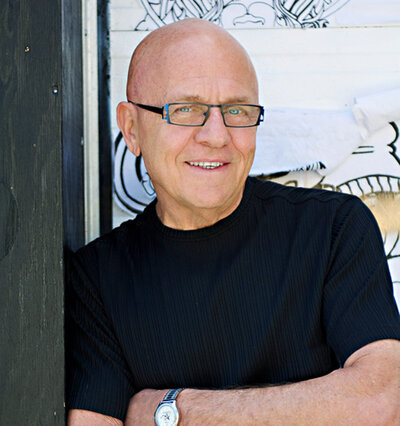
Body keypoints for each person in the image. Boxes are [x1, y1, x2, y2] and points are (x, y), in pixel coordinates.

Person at [67, 18, 400, 425]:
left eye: (236, 110)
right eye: (186, 110)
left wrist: (171, 411)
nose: (216, 135)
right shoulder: (96, 280)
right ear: (131, 128)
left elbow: (382, 402)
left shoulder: (333, 230)